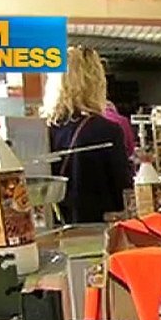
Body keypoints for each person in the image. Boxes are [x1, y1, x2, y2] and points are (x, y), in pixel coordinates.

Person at [47, 46, 132, 224]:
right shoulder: (107, 131)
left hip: (53, 227)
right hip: (95, 228)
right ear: (96, 82)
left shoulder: (43, 130)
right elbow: (123, 193)